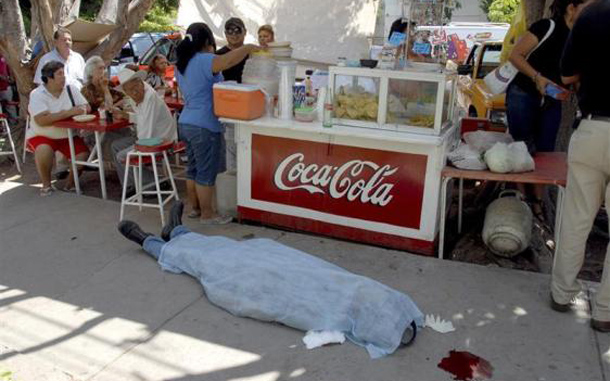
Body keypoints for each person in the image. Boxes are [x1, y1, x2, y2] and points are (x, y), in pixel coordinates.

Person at [117, 201, 422, 358]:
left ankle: (149, 242)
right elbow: (330, 275)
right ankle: (178, 232)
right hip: (307, 273)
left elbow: (287, 307)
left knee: (215, 264)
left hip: (276, 286)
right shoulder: (361, 287)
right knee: (241, 251)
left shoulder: (338, 318)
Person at [551, 0, 610, 332]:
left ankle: (562, 293)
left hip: (592, 127)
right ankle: (605, 312)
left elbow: (567, 74)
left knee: (576, 218)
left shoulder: (593, 14)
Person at [506, 0, 592, 217]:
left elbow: (574, 74)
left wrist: (571, 89)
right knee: (522, 149)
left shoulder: (584, 37)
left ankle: (537, 204)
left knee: (545, 153)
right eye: (587, 6)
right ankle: (520, 201)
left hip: (553, 101)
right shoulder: (546, 26)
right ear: (571, 8)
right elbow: (515, 56)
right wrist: (537, 78)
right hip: (523, 94)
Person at [175, 22, 258, 224]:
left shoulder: (182, 63)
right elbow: (227, 61)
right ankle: (207, 215)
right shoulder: (204, 60)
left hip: (186, 122)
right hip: (204, 125)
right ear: (207, 41)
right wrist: (247, 48)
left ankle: (195, 210)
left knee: (193, 170)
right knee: (205, 172)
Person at [28, 61, 90, 196]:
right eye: (59, 74)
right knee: (44, 149)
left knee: (83, 154)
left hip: (68, 134)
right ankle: (46, 185)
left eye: (64, 73)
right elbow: (42, 120)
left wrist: (81, 110)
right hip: (43, 135)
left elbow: (86, 107)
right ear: (49, 78)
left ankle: (70, 184)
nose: (64, 77)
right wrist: (67, 113)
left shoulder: (71, 89)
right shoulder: (37, 94)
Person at [111, 68, 177, 192]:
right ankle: (131, 185)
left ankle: (155, 183)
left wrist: (135, 148)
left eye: (135, 87)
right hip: (149, 137)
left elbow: (146, 134)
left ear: (141, 83)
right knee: (115, 146)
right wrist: (126, 115)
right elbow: (142, 119)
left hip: (161, 140)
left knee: (122, 156)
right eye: (129, 90)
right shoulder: (136, 96)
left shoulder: (150, 97)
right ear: (125, 92)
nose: (134, 92)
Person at [81, 56, 130, 159]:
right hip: (96, 131)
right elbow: (106, 109)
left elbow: (125, 98)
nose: (104, 71)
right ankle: (120, 166)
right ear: (91, 71)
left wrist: (114, 105)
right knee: (121, 139)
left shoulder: (109, 84)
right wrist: (106, 90)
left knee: (129, 133)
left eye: (104, 68)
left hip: (112, 126)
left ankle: (127, 166)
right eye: (100, 68)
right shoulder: (87, 90)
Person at [216, 17, 249, 83]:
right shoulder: (218, 55)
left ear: (245, 32)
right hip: (224, 92)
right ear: (225, 34)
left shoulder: (251, 54)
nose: (234, 34)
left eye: (237, 30)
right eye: (230, 31)